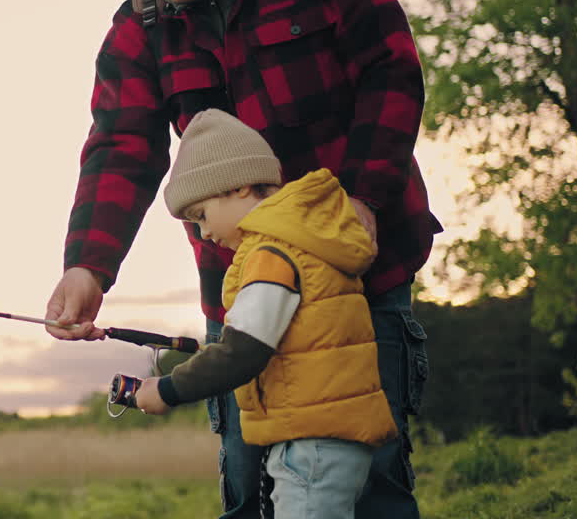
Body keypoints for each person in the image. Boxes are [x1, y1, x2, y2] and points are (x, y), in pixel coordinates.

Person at [44, 0, 442, 519]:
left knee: (370, 486)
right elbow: (121, 147)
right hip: (238, 287)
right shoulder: (138, 29)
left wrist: (364, 201)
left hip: (357, 277)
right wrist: (88, 266)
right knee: (247, 485)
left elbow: (391, 74)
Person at [134, 108, 397, 518]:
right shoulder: (307, 240)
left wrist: (167, 390)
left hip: (310, 444)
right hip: (328, 438)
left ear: (239, 187)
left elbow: (243, 351)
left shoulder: (271, 254)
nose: (204, 233)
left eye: (201, 215)